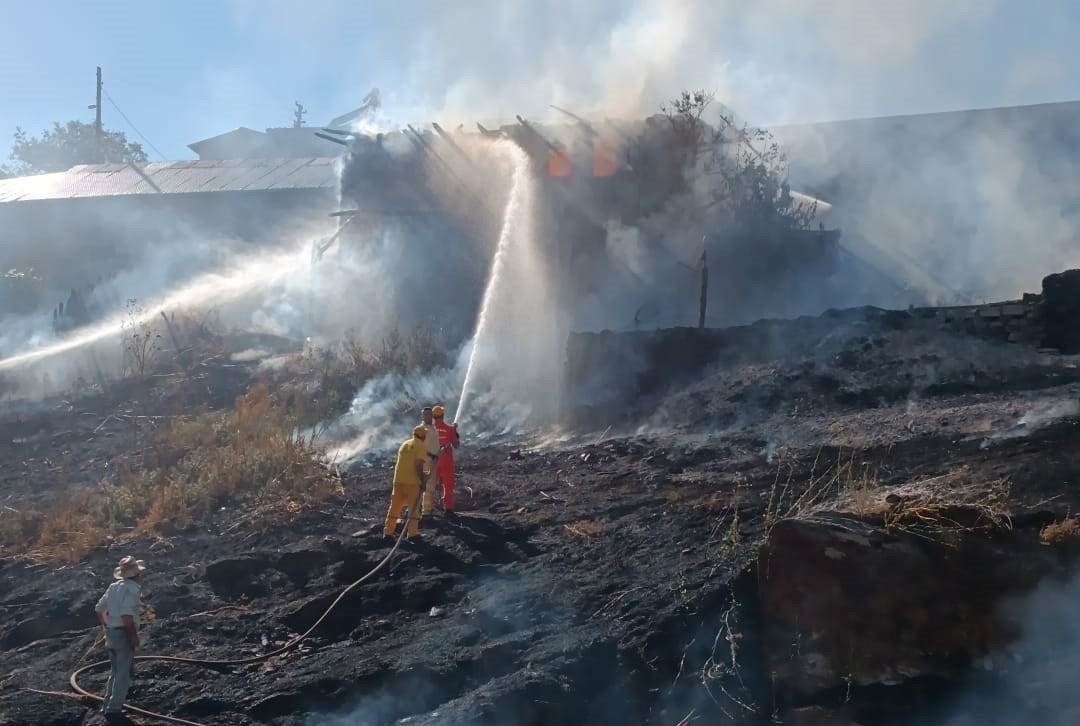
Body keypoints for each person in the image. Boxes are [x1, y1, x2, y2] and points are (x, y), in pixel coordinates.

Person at [95, 555, 146, 721]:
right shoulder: (132, 590)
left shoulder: (113, 587)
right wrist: (133, 636)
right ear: (136, 574)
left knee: (115, 671)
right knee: (123, 673)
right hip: (123, 633)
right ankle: (114, 709)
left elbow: (99, 608)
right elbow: (126, 616)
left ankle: (107, 705)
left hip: (111, 632)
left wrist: (106, 626)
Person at [384, 425, 429, 540]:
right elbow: (418, 464)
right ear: (423, 436)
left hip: (398, 480)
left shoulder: (404, 444)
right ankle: (413, 534)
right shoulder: (421, 446)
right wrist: (423, 480)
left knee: (394, 507)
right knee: (414, 509)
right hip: (412, 482)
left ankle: (388, 532)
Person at [432, 404, 461, 514]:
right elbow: (456, 445)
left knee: (430, 484)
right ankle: (448, 508)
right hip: (446, 461)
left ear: (433, 416)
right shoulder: (449, 429)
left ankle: (426, 507)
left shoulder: (429, 430)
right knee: (448, 484)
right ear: (442, 415)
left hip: (433, 460)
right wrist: (455, 432)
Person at [420, 406, 441, 517]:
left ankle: (428, 508)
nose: (428, 416)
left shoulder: (433, 428)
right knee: (425, 485)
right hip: (425, 461)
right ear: (422, 416)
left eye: (429, 414)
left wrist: (438, 452)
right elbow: (418, 446)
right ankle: (424, 511)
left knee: (431, 485)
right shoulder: (420, 429)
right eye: (426, 414)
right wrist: (431, 455)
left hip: (434, 461)